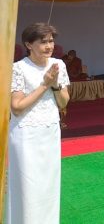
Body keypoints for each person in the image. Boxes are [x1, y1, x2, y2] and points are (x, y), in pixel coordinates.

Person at [8, 23, 71, 224]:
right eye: (42, 42)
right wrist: (44, 84)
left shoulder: (58, 65)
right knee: (27, 188)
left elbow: (64, 102)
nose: (48, 46)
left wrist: (55, 85)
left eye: (51, 41)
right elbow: (17, 106)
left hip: (50, 131)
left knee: (48, 187)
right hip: (25, 135)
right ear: (28, 44)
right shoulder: (18, 68)